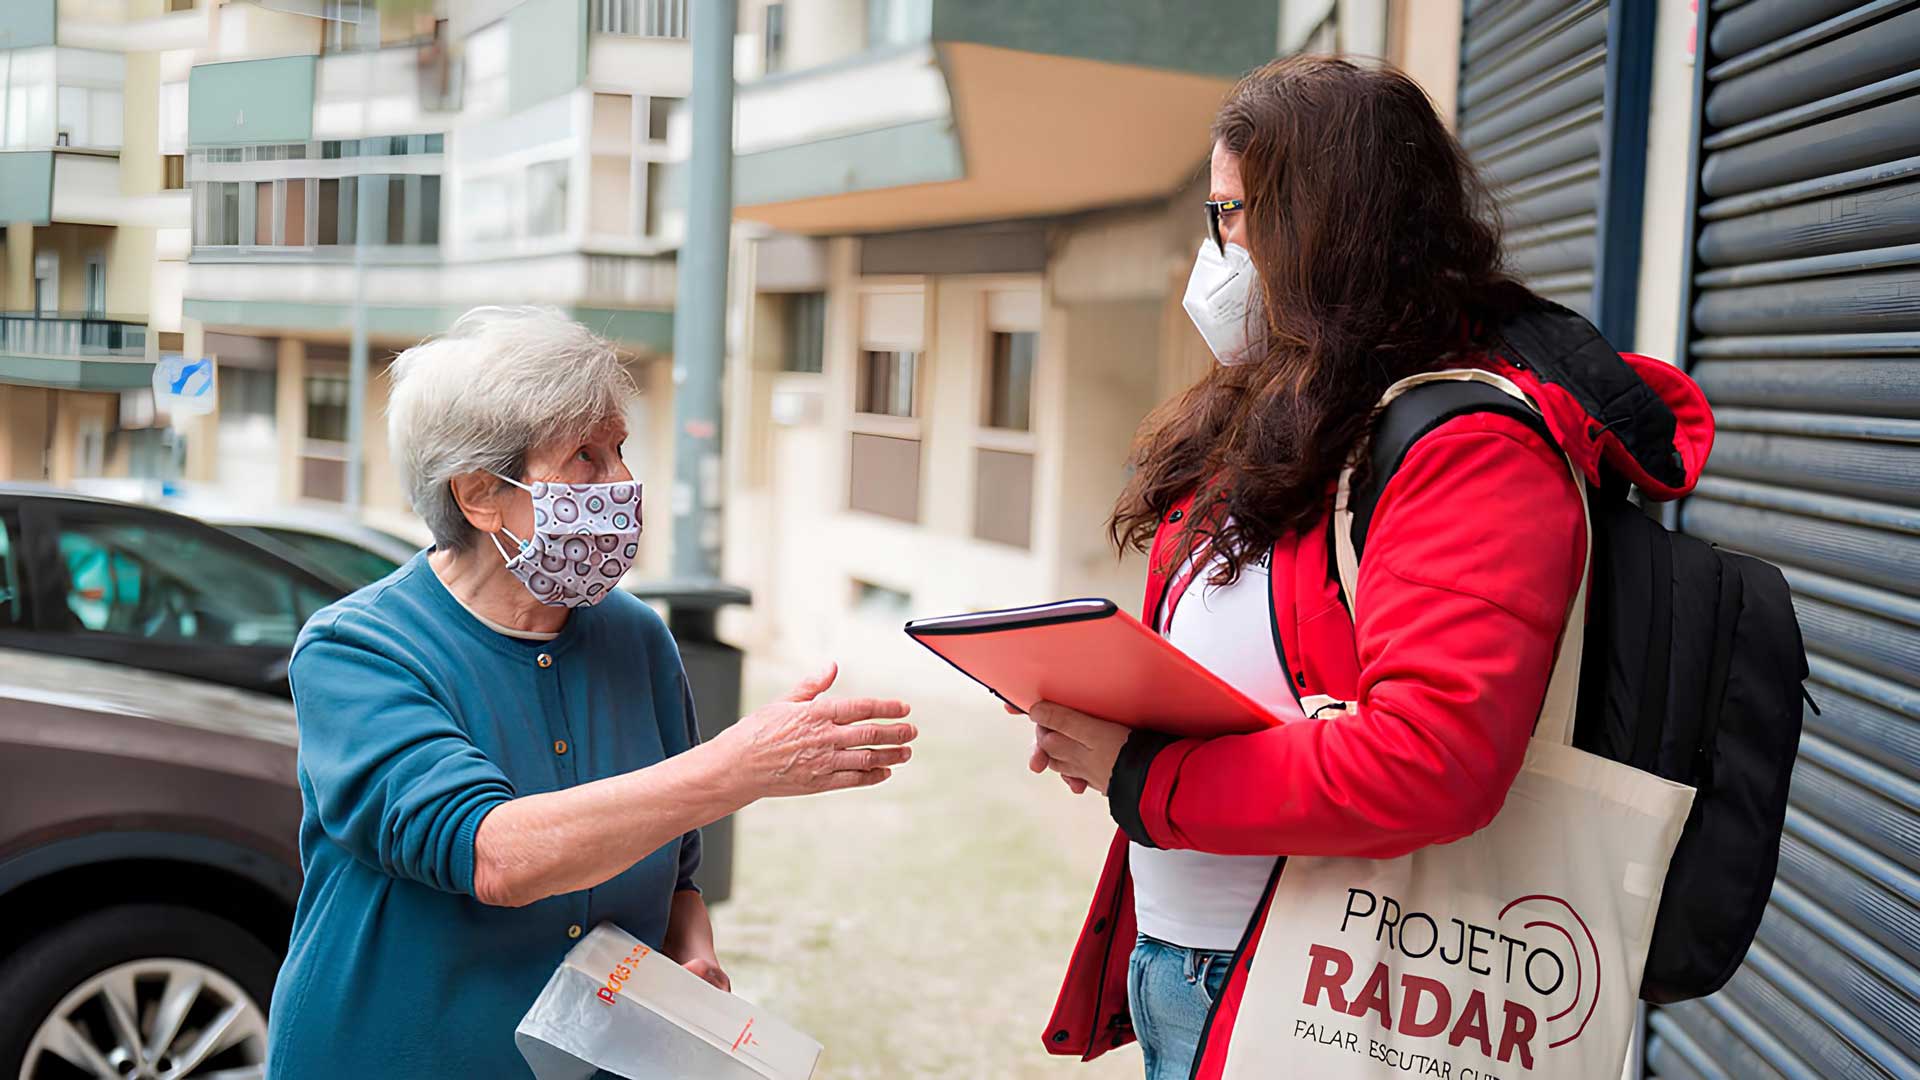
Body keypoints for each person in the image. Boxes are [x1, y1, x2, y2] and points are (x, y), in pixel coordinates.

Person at [1026, 57, 1710, 1080]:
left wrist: (1147, 777)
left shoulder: (1471, 447)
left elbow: (1427, 760)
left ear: (1328, 228)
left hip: (1337, 996)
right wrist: (1104, 716)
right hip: (1196, 965)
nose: (1217, 255)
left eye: (1234, 216)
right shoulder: (1287, 415)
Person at [266, 306, 917, 1077]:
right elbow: (490, 854)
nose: (622, 483)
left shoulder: (637, 638)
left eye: (620, 449)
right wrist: (738, 768)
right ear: (479, 493)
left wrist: (691, 956)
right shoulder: (360, 649)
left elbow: (675, 877)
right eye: (584, 457)